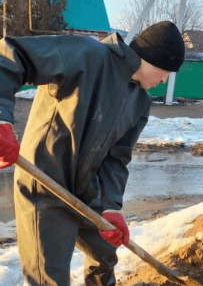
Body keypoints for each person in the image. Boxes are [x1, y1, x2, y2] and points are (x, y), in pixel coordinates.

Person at [0, 21, 185, 285]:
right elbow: (11, 54)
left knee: (105, 255)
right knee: (48, 277)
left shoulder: (140, 101)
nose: (165, 80)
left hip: (87, 192)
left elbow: (117, 158)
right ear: (152, 60)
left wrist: (111, 206)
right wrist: (2, 120)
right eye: (167, 71)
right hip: (46, 185)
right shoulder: (88, 54)